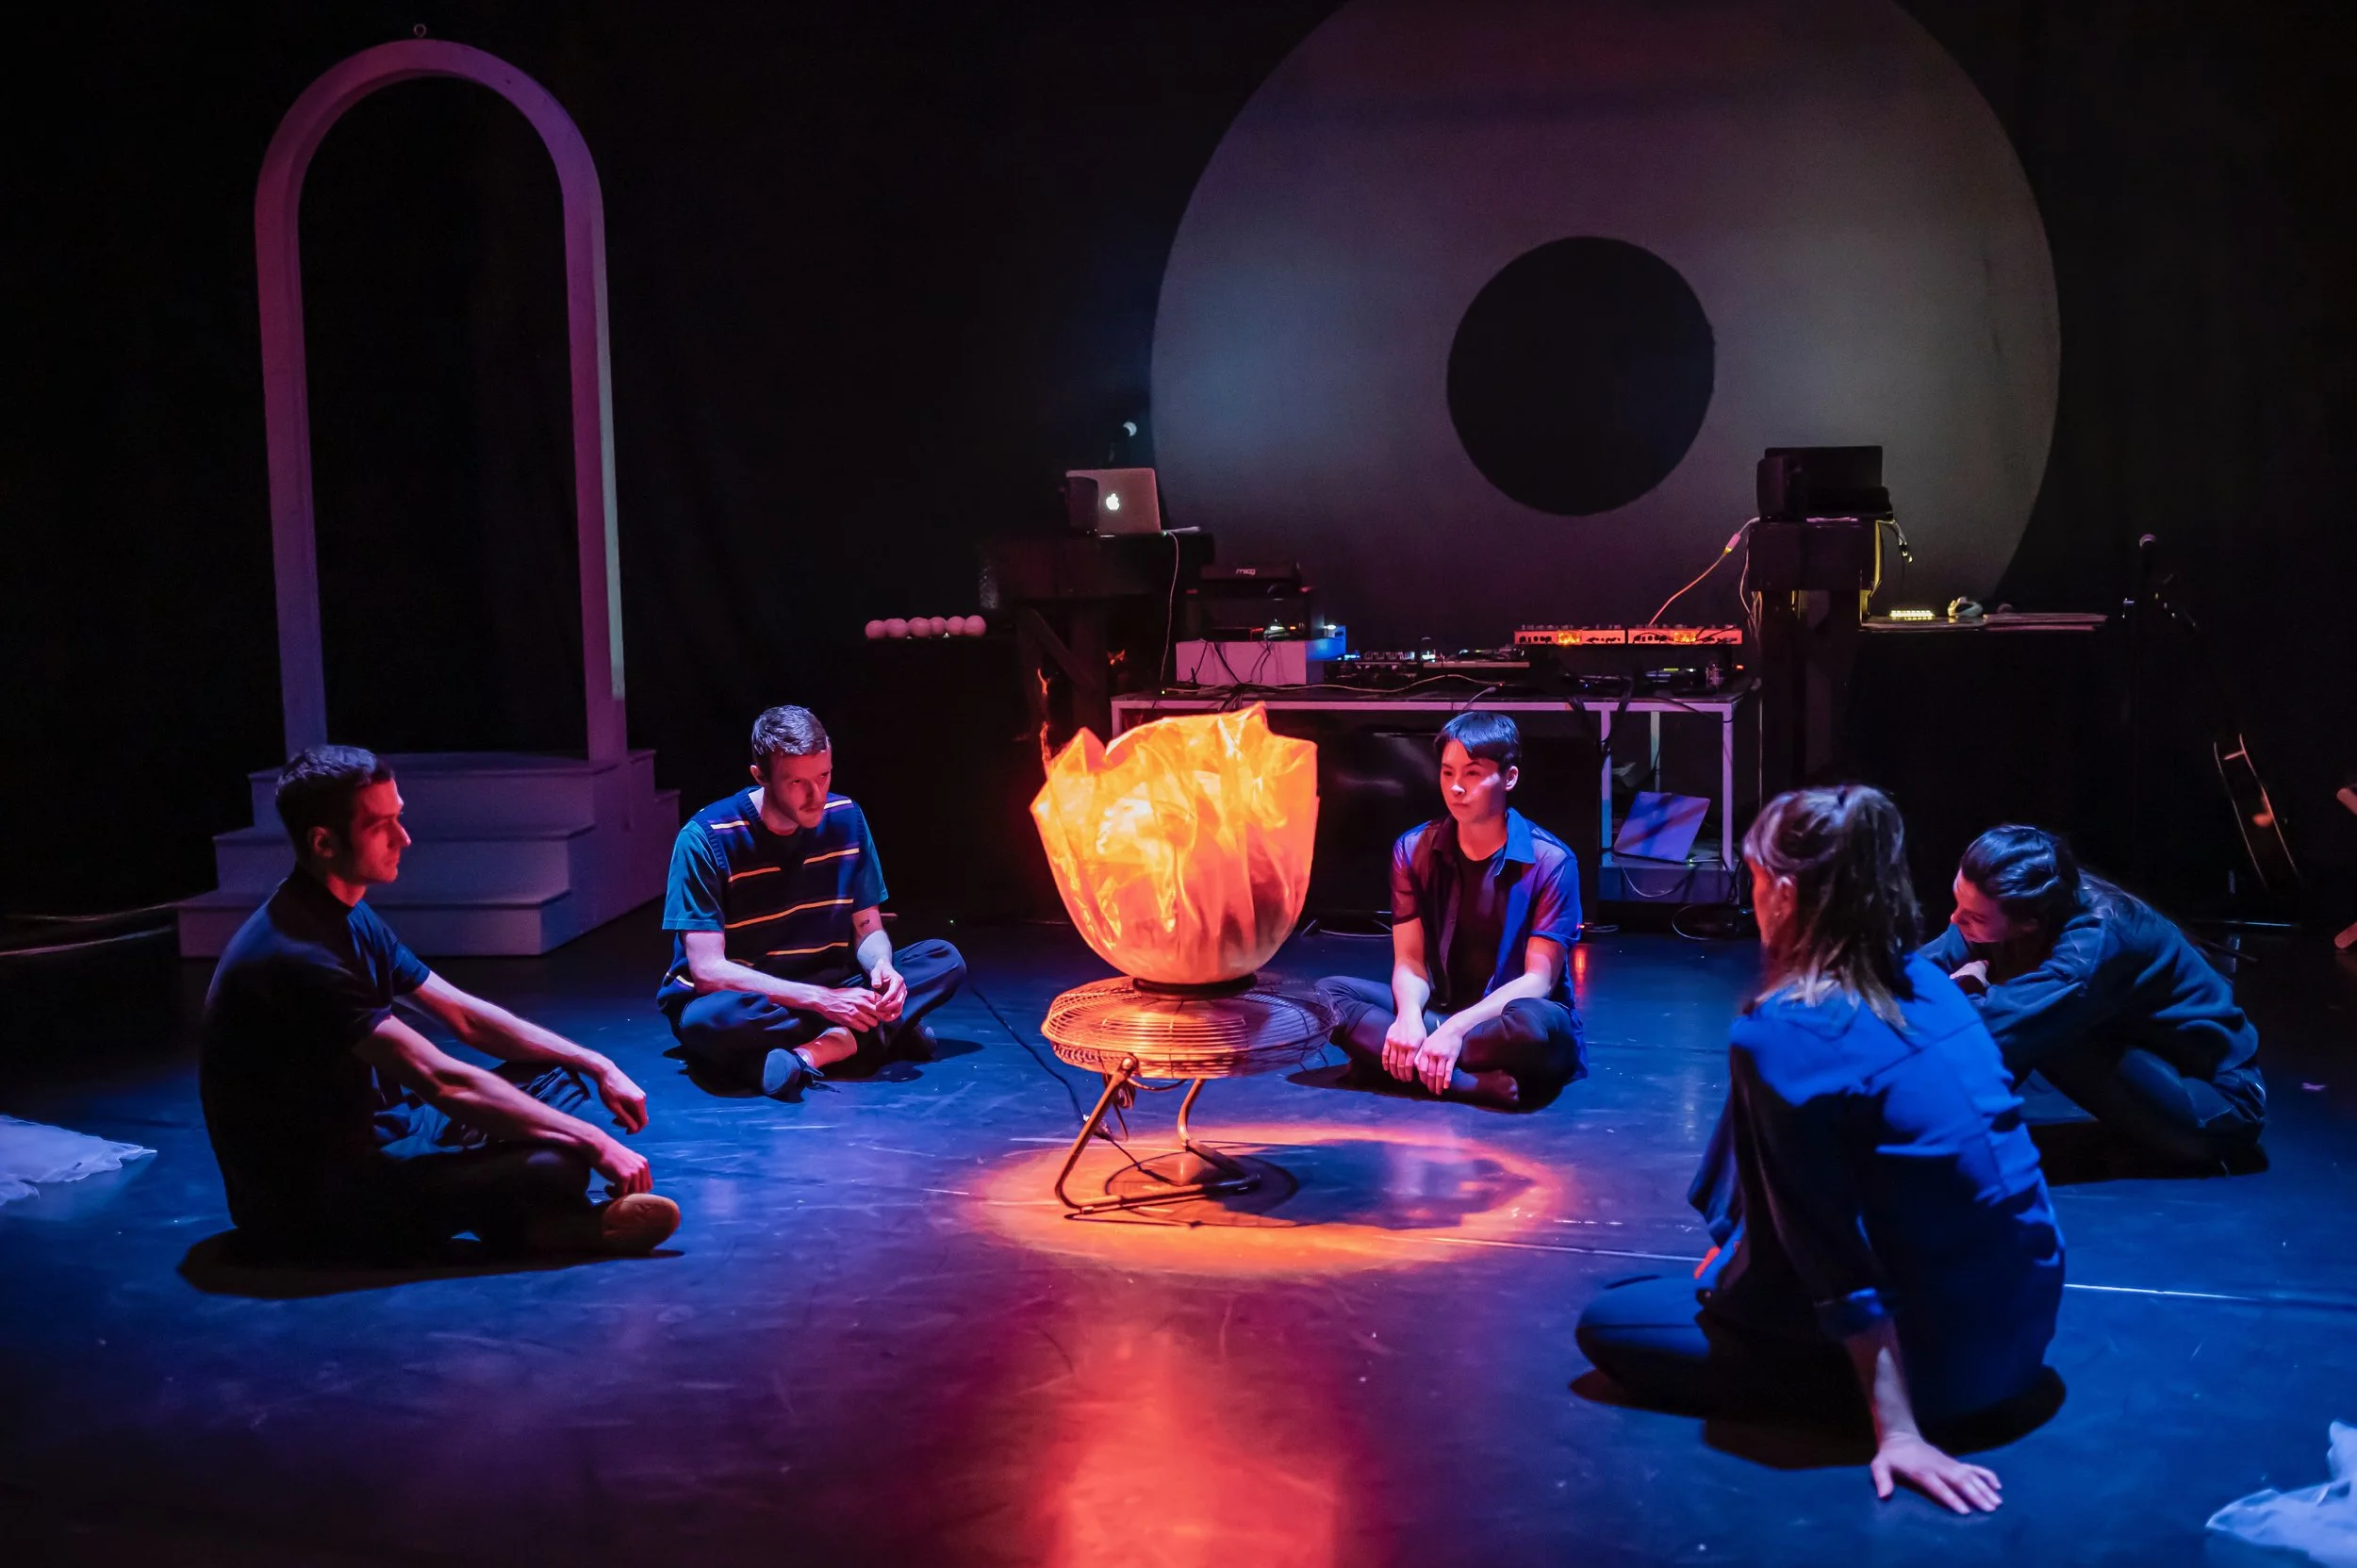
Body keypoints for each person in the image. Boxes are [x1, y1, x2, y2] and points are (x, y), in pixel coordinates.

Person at [1575, 785, 2063, 1514]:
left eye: (1755, 877)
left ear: (1787, 892)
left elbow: (1828, 1246)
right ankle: (1733, 1256)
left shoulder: (1785, 1033)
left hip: (1948, 1374)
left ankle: (1751, 1284)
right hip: (2024, 1328)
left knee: (1612, 1319)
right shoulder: (1931, 983)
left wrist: (1896, 1430)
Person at [200, 747, 679, 1261]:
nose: (403, 837)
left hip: (387, 1132)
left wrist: (596, 1062)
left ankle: (531, 1219)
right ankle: (537, 1227)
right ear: (324, 842)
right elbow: (441, 1080)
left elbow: (464, 1017)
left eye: (398, 817)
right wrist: (594, 1142)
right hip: (315, 1203)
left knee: (555, 1076)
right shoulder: (296, 954)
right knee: (557, 1163)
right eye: (380, 825)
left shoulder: (344, 912)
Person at [659, 703, 966, 1098]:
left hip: (829, 985)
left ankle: (807, 1056)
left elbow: (867, 925)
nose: (816, 795)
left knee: (943, 960)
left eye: (823, 776)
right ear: (760, 777)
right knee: (711, 1021)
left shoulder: (846, 817)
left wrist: (882, 969)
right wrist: (822, 1002)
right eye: (797, 783)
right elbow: (708, 971)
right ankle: (875, 1034)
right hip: (751, 997)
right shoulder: (705, 837)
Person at [1918, 824, 2266, 1167]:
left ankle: (1938, 1133)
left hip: (2218, 1107)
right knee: (2011, 1002)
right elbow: (1920, 971)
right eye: (1957, 901)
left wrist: (1971, 987)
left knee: (2035, 1022)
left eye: (1974, 915)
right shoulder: (2028, 898)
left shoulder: (2097, 941)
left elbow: (1991, 1028)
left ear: (2030, 923)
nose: (1954, 918)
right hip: (2148, 1061)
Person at [1316, 712, 1586, 1109]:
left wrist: (1455, 1030)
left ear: (1509, 778)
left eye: (1473, 774)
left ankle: (1392, 1065)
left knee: (1533, 1027)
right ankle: (1469, 1084)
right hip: (1440, 1009)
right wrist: (1408, 1016)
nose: (1456, 787)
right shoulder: (1412, 850)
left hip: (1506, 1021)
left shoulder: (1552, 861)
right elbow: (1409, 960)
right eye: (1447, 773)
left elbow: (1538, 981)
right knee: (1328, 995)